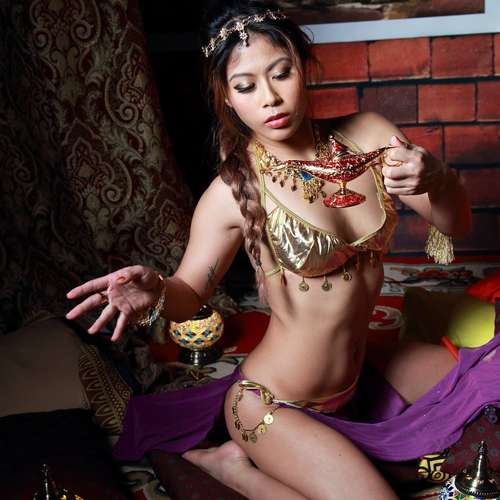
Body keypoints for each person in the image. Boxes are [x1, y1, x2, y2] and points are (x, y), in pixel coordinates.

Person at [65, 2, 499, 499]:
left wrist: (436, 178)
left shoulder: (370, 135)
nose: (270, 98)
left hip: (362, 372)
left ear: (303, 67)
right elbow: (188, 294)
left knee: (493, 383)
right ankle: (233, 468)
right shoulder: (233, 191)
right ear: (227, 98)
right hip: (273, 402)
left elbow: (455, 223)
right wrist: (157, 290)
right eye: (246, 86)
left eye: (281, 73)